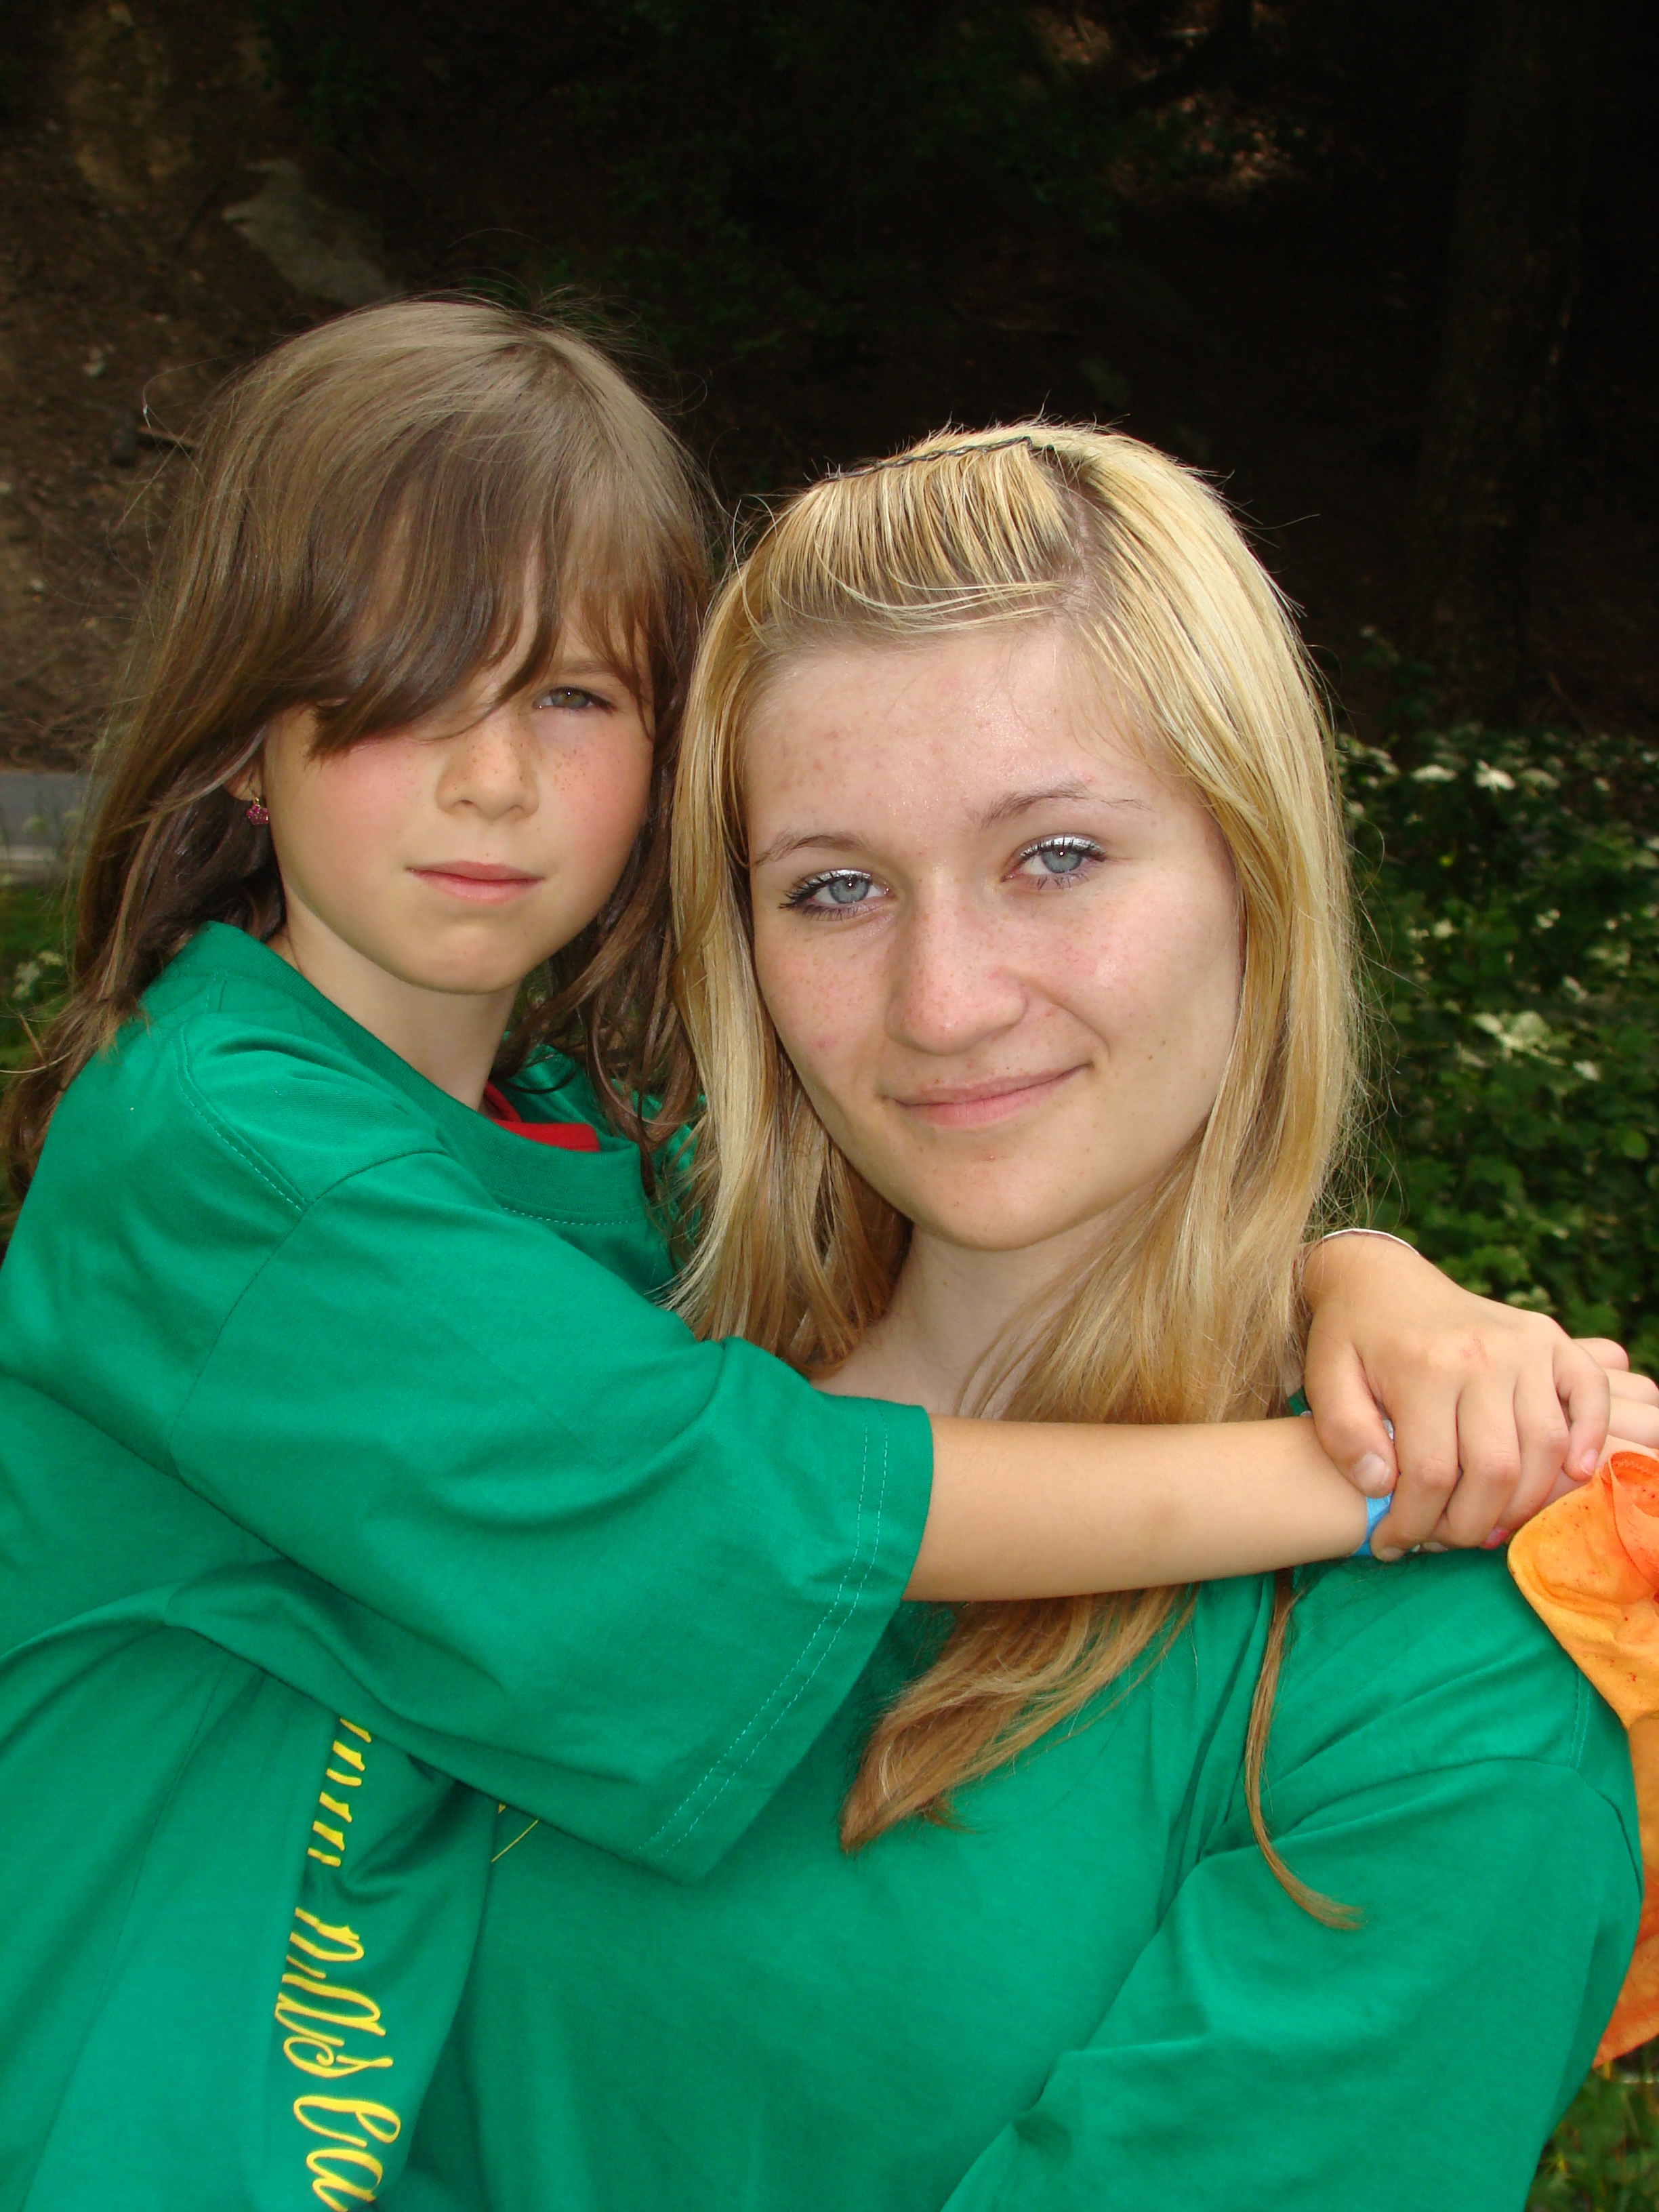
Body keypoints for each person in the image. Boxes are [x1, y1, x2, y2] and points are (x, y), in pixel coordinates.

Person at [0, 310, 1631, 2207]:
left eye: (1058, 856)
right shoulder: (608, 1299)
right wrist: (1355, 1460)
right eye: (836, 887)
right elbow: (740, 1492)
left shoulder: (1441, 1708)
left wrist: (1365, 1281)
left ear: (1259, 870)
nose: (944, 1001)